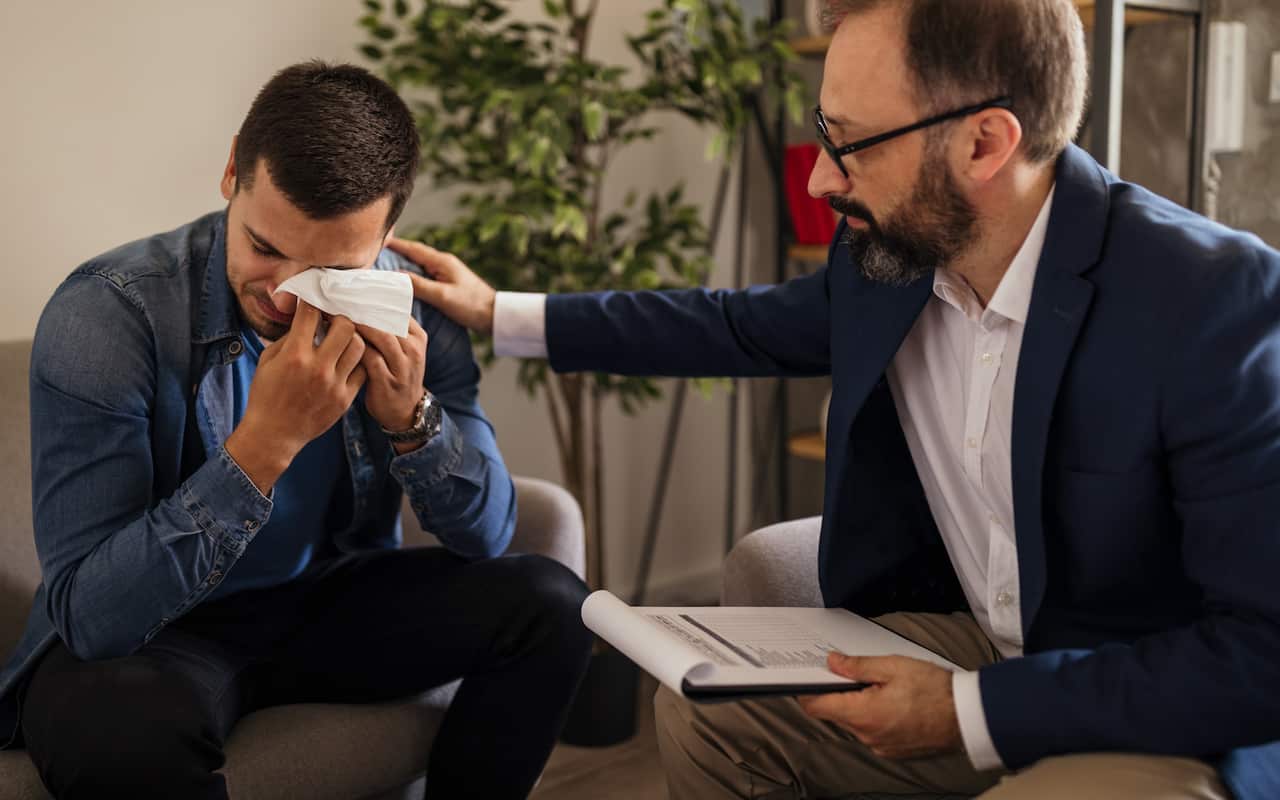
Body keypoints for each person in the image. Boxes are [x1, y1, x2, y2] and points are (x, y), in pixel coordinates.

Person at [386, 0, 1280, 797]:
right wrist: (501, 312)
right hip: (985, 652)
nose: (818, 180)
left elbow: (1263, 654)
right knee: (710, 720)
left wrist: (971, 710)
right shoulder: (886, 265)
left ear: (984, 142)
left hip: (1154, 711)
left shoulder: (1210, 301)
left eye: (849, 141)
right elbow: (729, 326)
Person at [0, 61, 592, 799]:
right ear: (231, 174)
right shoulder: (110, 316)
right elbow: (92, 620)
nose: (286, 294)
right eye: (267, 248)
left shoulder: (413, 309)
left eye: (332, 269)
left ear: (387, 235)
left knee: (554, 604)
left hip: (325, 601)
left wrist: (412, 423)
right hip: (164, 631)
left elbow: (489, 536)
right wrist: (261, 449)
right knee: (114, 723)